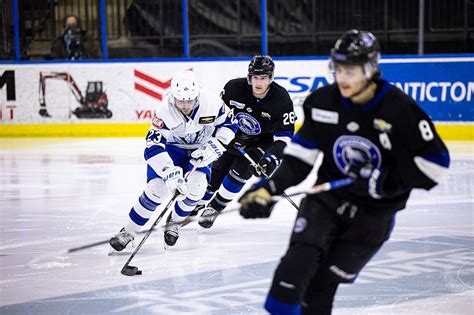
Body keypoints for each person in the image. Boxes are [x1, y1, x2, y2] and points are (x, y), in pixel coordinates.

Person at [238, 29, 450, 314]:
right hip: (326, 201)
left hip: (373, 217)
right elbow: (299, 159)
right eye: (338, 69)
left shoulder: (399, 109)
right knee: (290, 275)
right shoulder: (323, 102)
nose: (343, 78)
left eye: (351, 70)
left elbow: (435, 165)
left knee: (319, 290)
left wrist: (385, 181)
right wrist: (267, 188)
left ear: (371, 69)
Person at [109, 70, 237, 249]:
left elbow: (231, 123)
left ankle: (175, 223)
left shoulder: (213, 103)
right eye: (180, 101)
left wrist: (217, 144)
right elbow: (152, 146)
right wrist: (169, 171)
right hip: (172, 151)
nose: (185, 105)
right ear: (173, 96)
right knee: (157, 189)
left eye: (189, 100)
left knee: (197, 188)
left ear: (197, 95)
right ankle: (128, 232)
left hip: (201, 150)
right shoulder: (164, 110)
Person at [190, 55, 296, 229]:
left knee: (240, 173)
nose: (259, 83)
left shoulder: (281, 99)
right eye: (255, 77)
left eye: (263, 78)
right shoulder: (233, 88)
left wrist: (271, 159)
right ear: (249, 77)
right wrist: (217, 138)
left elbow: (284, 135)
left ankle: (215, 207)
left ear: (271, 78)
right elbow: (217, 116)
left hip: (261, 142)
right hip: (230, 136)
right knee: (215, 173)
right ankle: (199, 202)